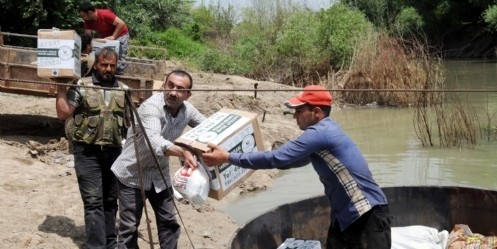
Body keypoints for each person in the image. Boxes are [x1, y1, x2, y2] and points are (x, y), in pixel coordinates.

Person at [202, 85, 392, 249]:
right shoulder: (326, 130)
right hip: (345, 216)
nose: (294, 116)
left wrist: (227, 157)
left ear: (317, 112)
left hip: (366, 216)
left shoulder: (319, 133)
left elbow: (277, 158)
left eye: (299, 111)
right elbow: (292, 161)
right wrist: (248, 161)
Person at [111, 70, 206, 248]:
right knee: (129, 228)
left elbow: (208, 126)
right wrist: (183, 151)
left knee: (169, 222)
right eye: (170, 86)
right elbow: (154, 140)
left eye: (180, 89)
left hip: (159, 176)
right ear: (163, 85)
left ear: (187, 95)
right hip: (132, 174)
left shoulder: (188, 110)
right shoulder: (151, 107)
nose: (173, 92)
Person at [55, 47, 130, 249]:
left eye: (112, 66)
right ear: (96, 65)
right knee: (93, 201)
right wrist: (60, 88)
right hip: (87, 153)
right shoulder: (82, 86)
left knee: (111, 200)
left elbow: (131, 124)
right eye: (104, 65)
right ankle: (96, 246)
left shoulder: (124, 90)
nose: (108, 69)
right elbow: (63, 114)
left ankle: (111, 242)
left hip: (114, 153)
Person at [79, 1, 130, 75]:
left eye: (84, 16)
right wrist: (88, 47)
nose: (83, 18)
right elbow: (88, 36)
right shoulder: (87, 21)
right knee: (104, 55)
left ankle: (119, 75)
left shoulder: (105, 14)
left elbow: (121, 23)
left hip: (120, 34)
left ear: (89, 13)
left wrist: (113, 36)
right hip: (106, 37)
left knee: (119, 56)